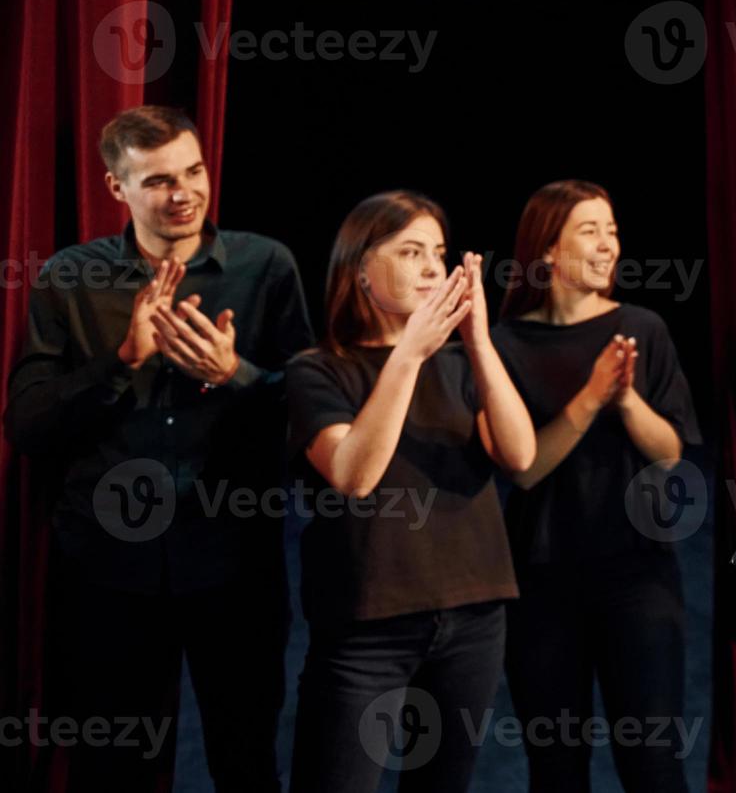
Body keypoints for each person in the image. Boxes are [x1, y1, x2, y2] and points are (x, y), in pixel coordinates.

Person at [4, 106, 314, 791]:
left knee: (246, 759)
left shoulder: (267, 266)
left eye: (194, 172)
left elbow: (312, 417)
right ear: (118, 188)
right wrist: (121, 361)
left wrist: (232, 375)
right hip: (109, 571)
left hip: (235, 563)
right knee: (115, 770)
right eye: (159, 181)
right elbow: (27, 425)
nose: (184, 194)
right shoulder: (69, 277)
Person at [285, 190, 537, 793]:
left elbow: (521, 456)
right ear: (360, 270)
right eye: (411, 251)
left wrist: (476, 341)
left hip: (473, 616)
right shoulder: (317, 370)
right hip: (366, 628)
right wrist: (407, 355)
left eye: (440, 253)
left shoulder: (458, 363)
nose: (432, 268)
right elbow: (354, 474)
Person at [492, 180, 701, 793]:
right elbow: (525, 468)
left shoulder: (642, 328)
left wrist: (628, 397)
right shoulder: (505, 343)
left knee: (654, 764)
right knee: (555, 767)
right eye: (590, 230)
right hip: (540, 580)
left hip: (638, 576)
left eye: (612, 229)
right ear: (548, 250)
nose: (608, 244)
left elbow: (669, 455)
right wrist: (589, 398)